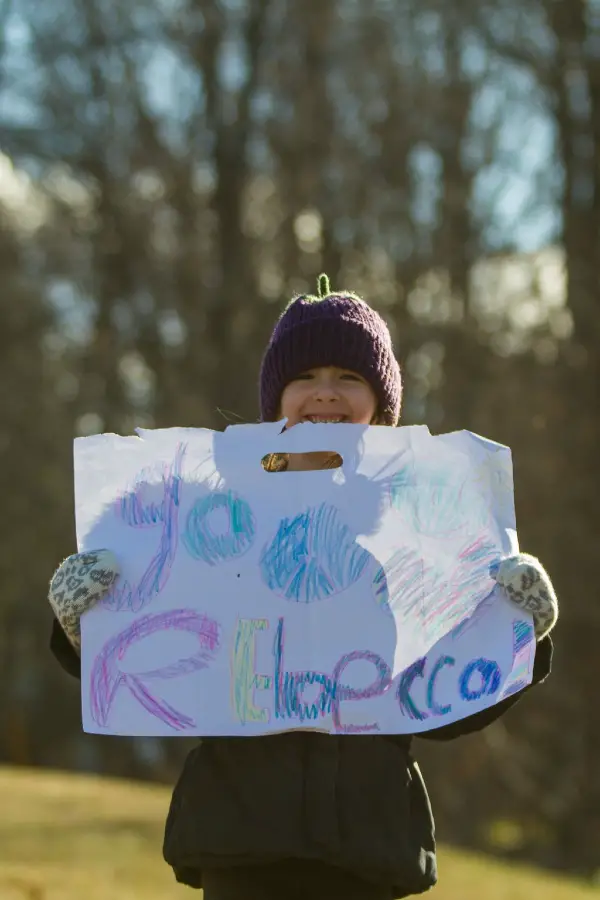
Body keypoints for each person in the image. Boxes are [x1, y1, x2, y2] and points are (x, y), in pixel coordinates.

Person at [48, 275, 558, 900]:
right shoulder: (211, 519)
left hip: (369, 847)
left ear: (382, 405)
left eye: (349, 378)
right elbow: (159, 664)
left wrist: (519, 629)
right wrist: (84, 627)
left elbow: (444, 698)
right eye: (306, 376)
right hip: (242, 842)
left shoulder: (423, 533)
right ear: (277, 400)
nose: (325, 394)